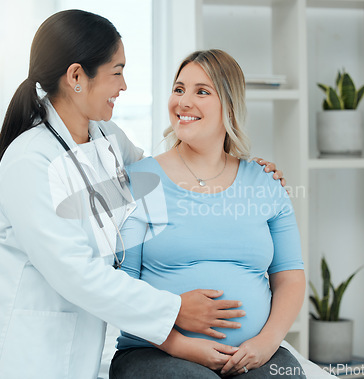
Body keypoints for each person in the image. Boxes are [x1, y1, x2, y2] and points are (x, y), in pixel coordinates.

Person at [0, 10, 286, 379]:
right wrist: (173, 309)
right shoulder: (30, 161)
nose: (124, 86)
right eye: (117, 71)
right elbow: (76, 272)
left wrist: (242, 169)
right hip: (22, 354)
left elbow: (163, 174)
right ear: (76, 77)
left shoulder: (106, 136)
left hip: (78, 347)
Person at [109, 50, 306, 379]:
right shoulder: (140, 179)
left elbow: (289, 276)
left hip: (254, 353)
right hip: (155, 349)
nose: (184, 102)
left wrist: (266, 344)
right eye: (179, 89)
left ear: (229, 106)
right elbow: (121, 286)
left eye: (202, 91)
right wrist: (180, 345)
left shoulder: (265, 182)